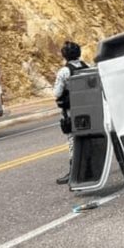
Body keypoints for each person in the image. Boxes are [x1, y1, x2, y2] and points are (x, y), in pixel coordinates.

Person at [53, 41, 90, 185]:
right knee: (88, 139)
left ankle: (74, 172)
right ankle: (88, 169)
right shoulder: (86, 67)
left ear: (65, 55)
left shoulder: (64, 71)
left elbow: (56, 93)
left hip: (71, 111)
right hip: (88, 109)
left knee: (73, 141)